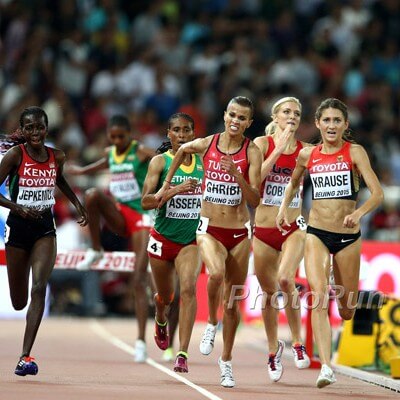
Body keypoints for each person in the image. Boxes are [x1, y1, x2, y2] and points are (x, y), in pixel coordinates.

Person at [276, 98, 384, 388]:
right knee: (319, 298)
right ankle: (325, 366)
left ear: (345, 125)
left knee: (347, 310)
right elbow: (293, 182)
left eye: (337, 121)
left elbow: (377, 194)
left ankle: (340, 281)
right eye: (327, 120)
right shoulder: (307, 155)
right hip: (317, 233)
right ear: (319, 123)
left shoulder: (355, 152)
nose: (332, 125)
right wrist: (284, 208)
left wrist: (358, 213)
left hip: (349, 237)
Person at [156, 96, 262, 387]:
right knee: (215, 273)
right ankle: (211, 324)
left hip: (239, 231)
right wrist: (167, 186)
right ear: (224, 115)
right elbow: (180, 150)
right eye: (232, 115)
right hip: (208, 229)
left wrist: (237, 176)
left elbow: (255, 199)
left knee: (233, 303)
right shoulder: (207, 143)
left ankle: (225, 361)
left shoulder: (252, 151)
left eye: (242, 118)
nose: (235, 121)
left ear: (249, 123)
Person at [0, 106, 88, 376]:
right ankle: (24, 344)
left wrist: (77, 204)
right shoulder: (16, 155)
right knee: (18, 301)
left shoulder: (56, 156)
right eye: (30, 128)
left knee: (39, 287)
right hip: (18, 229)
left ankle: (25, 356)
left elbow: (59, 179)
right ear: (23, 130)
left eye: (40, 127)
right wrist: (16, 208)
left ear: (46, 128)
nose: (35, 132)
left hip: (44, 229)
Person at [68, 114, 155, 363]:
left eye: (121, 136)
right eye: (113, 136)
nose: (117, 140)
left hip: (140, 216)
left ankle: (140, 342)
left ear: (130, 134)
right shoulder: (111, 152)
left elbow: (164, 160)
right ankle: (96, 249)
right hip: (120, 215)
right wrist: (81, 170)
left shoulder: (140, 151)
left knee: (138, 278)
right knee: (93, 194)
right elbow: (100, 165)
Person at [253, 97, 311, 383]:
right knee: (267, 294)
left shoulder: (305, 151)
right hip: (263, 229)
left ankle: (298, 343)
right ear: (275, 116)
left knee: (286, 280)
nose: (292, 117)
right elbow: (255, 180)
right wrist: (278, 146)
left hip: (293, 226)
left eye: (296, 114)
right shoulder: (261, 145)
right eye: (286, 112)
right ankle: (273, 348)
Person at [141, 112, 203, 373]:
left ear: (193, 134)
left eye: (187, 130)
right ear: (168, 133)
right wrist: (177, 189)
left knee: (188, 290)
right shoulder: (159, 162)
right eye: (176, 130)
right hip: (162, 238)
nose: (181, 135)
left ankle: (182, 352)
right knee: (166, 297)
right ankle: (159, 317)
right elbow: (146, 201)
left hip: (190, 240)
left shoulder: (203, 162)